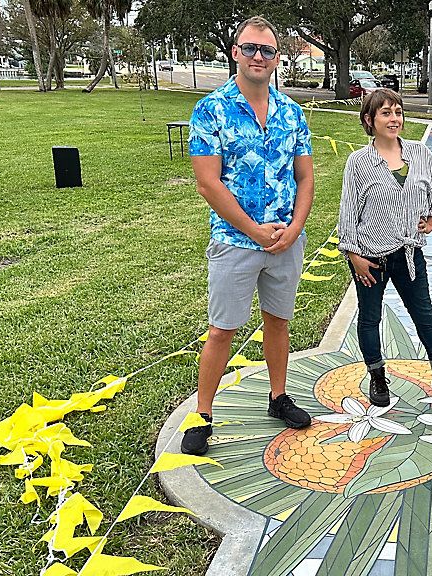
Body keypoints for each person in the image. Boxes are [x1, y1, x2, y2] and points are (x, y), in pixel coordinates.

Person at [181, 16, 314, 455]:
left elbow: (305, 177)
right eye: (251, 48)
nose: (259, 56)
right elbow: (208, 183)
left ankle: (278, 397)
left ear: (277, 58)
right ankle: (203, 414)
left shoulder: (291, 112)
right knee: (222, 330)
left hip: (285, 241)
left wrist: (294, 228)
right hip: (235, 241)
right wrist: (254, 230)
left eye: (268, 51)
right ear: (235, 52)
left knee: (278, 322)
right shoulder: (210, 110)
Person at [339, 88, 432, 407]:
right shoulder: (359, 162)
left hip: (410, 254)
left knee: (424, 313)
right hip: (370, 257)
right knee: (370, 318)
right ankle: (376, 375)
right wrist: (354, 255)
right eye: (385, 113)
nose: (394, 118)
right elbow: (347, 213)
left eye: (397, 111)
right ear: (369, 120)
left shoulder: (420, 154)